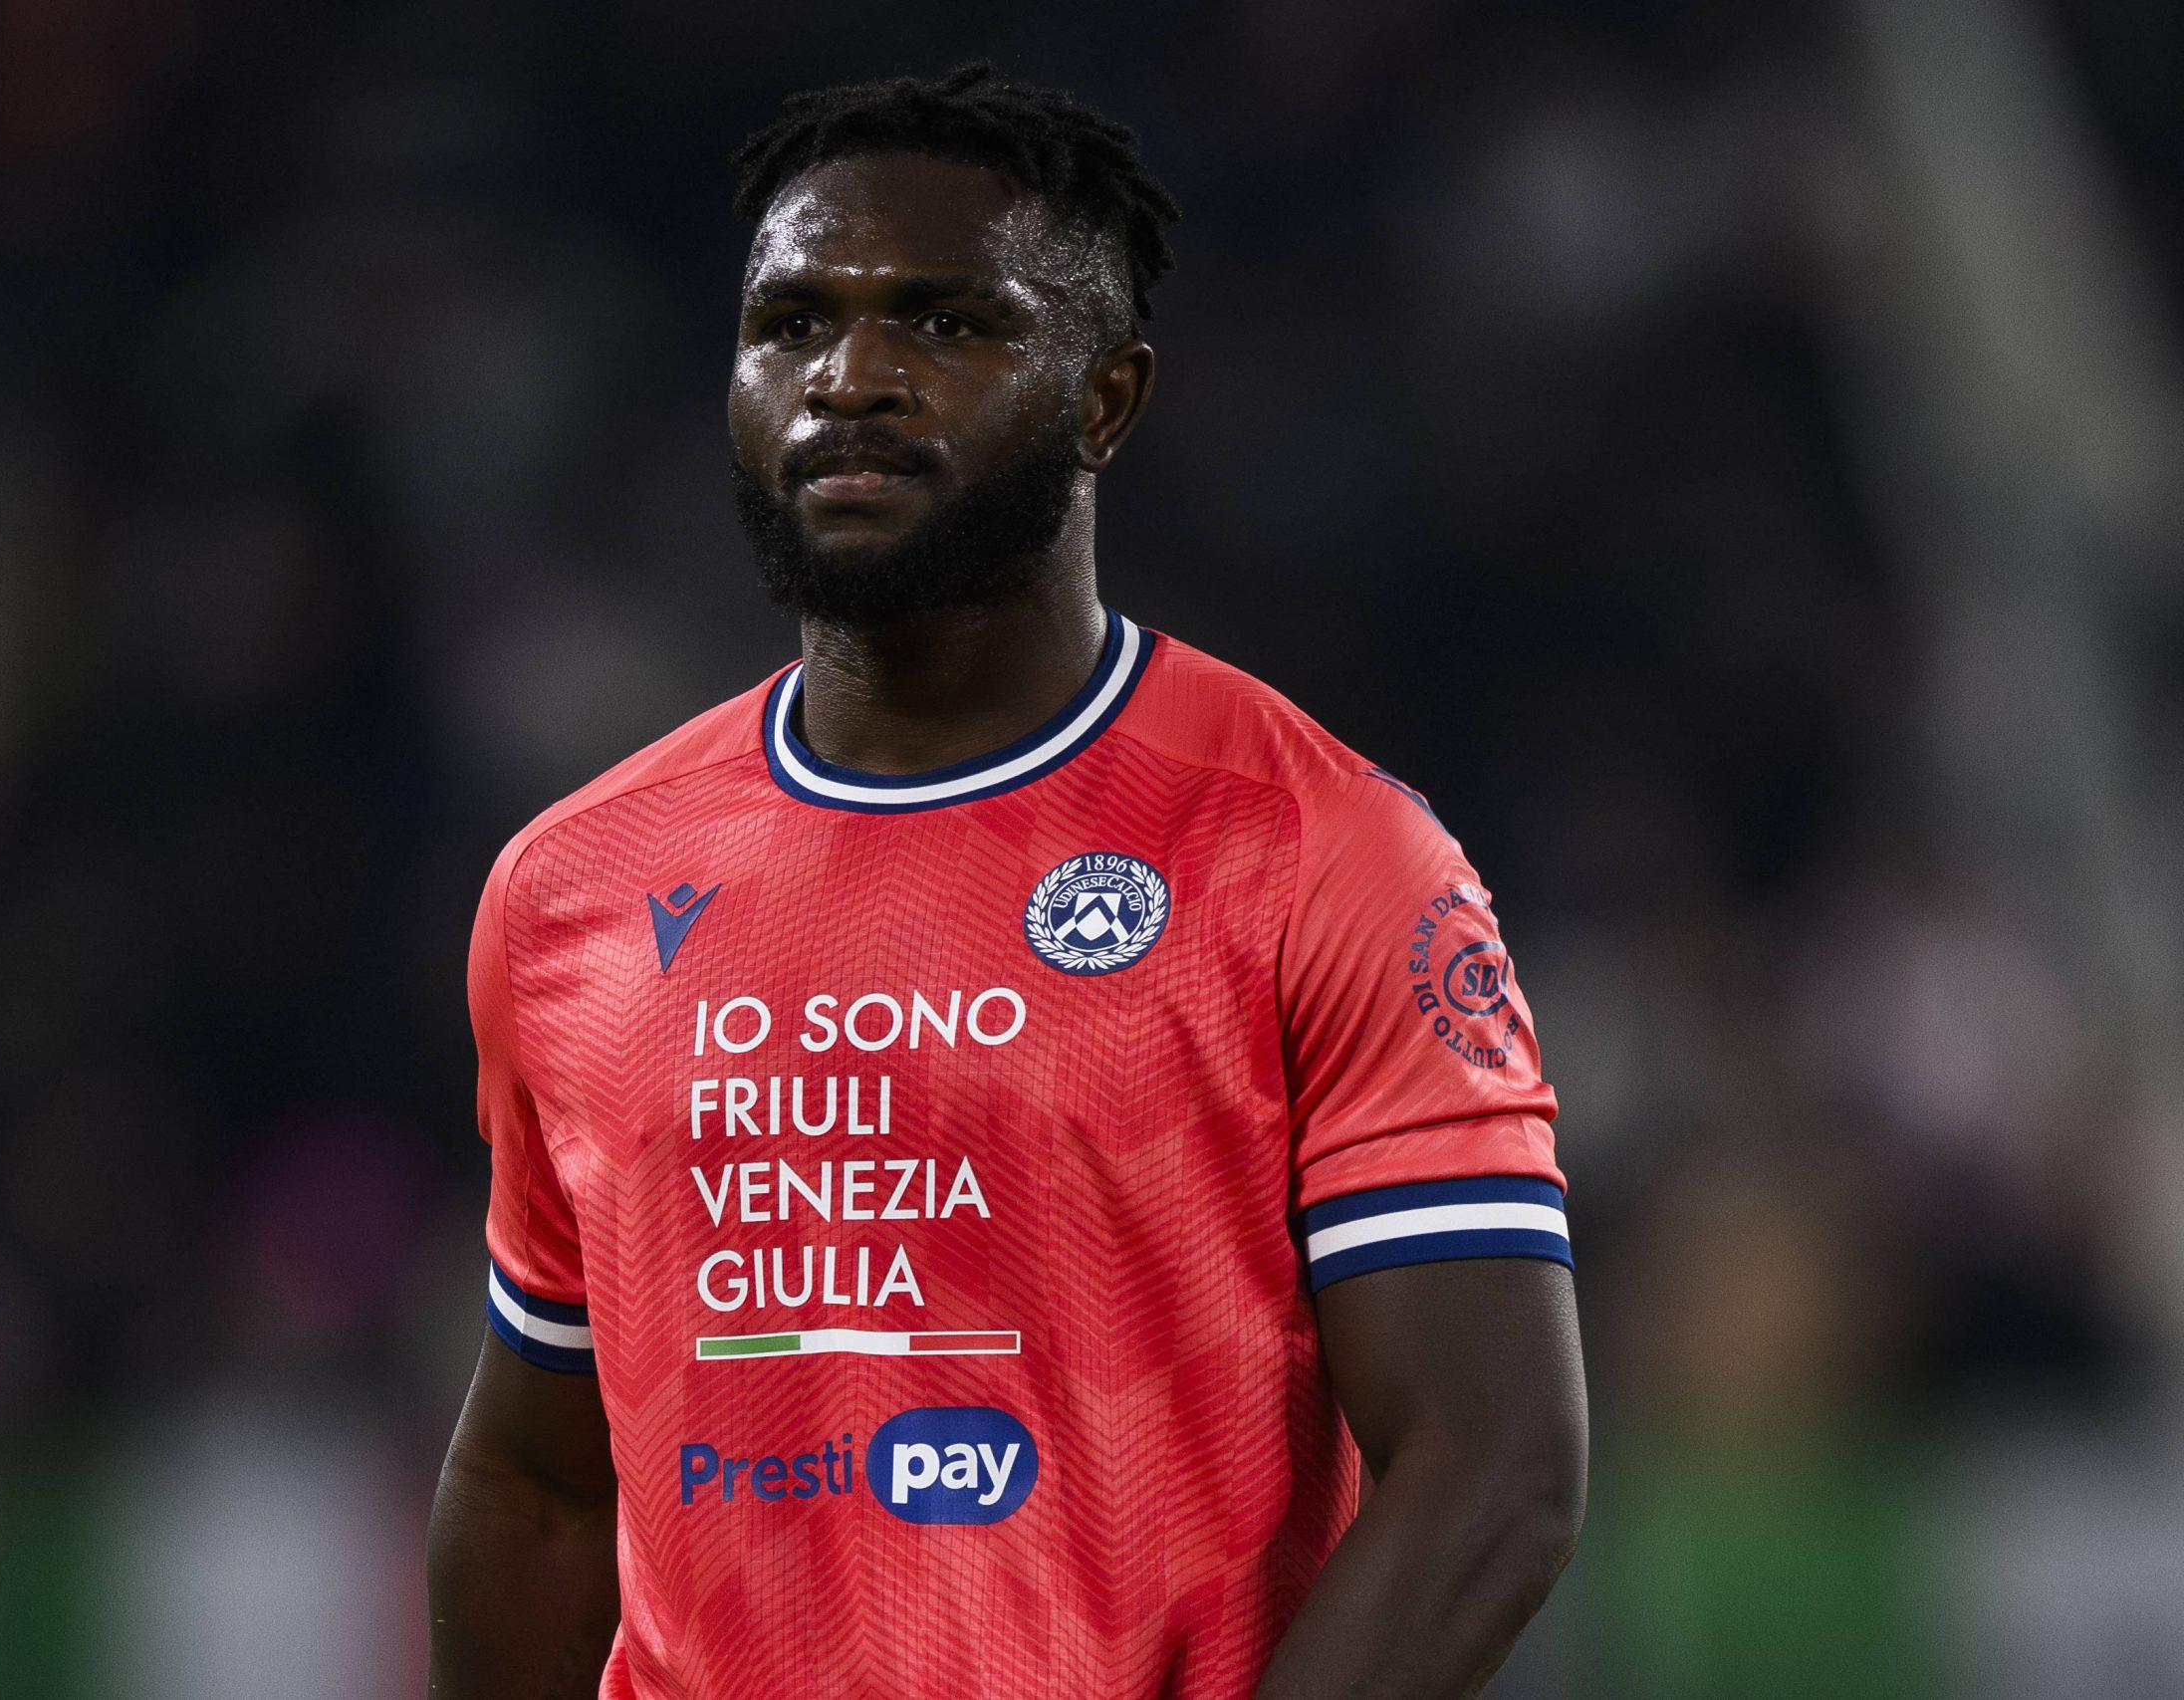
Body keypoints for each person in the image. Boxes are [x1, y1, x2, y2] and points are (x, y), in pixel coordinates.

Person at [427, 63, 1585, 1700]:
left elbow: (1496, 1475)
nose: (850, 377)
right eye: (790, 325)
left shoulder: (1318, 851)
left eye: (947, 325)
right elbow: (537, 1489)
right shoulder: (571, 889)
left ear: (1106, 399)